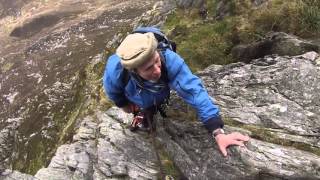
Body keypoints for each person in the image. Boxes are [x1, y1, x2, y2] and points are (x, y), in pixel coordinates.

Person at [103, 31, 249, 157]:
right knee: (145, 104)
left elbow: (194, 91)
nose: (157, 70)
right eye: (148, 68)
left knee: (158, 95)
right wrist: (125, 106)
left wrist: (218, 132)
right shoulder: (116, 74)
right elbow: (114, 93)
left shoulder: (170, 60)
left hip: (159, 91)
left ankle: (151, 108)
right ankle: (146, 111)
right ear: (134, 71)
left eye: (156, 61)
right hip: (138, 95)